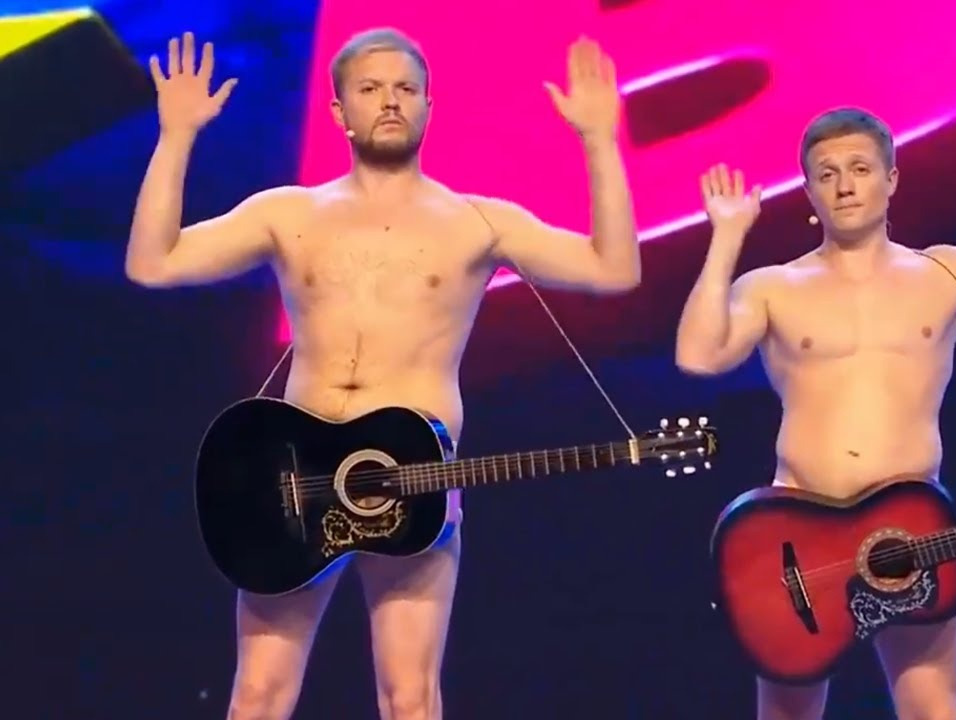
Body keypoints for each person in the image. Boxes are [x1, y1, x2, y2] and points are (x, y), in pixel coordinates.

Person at [125, 28, 640, 720]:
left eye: (406, 89)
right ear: (340, 112)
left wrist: (600, 142)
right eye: (370, 90)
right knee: (257, 696)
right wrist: (176, 136)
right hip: (296, 484)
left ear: (429, 105)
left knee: (410, 699)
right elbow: (152, 263)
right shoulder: (290, 212)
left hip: (414, 480)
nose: (391, 102)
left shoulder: (476, 222)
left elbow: (613, 270)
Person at [674, 105, 956, 720]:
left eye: (860, 168)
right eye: (827, 173)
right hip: (796, 541)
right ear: (808, 192)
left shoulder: (947, 272)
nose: (844, 185)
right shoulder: (772, 287)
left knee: (934, 712)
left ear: (891, 179)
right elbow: (698, 356)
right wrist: (727, 238)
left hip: (910, 529)